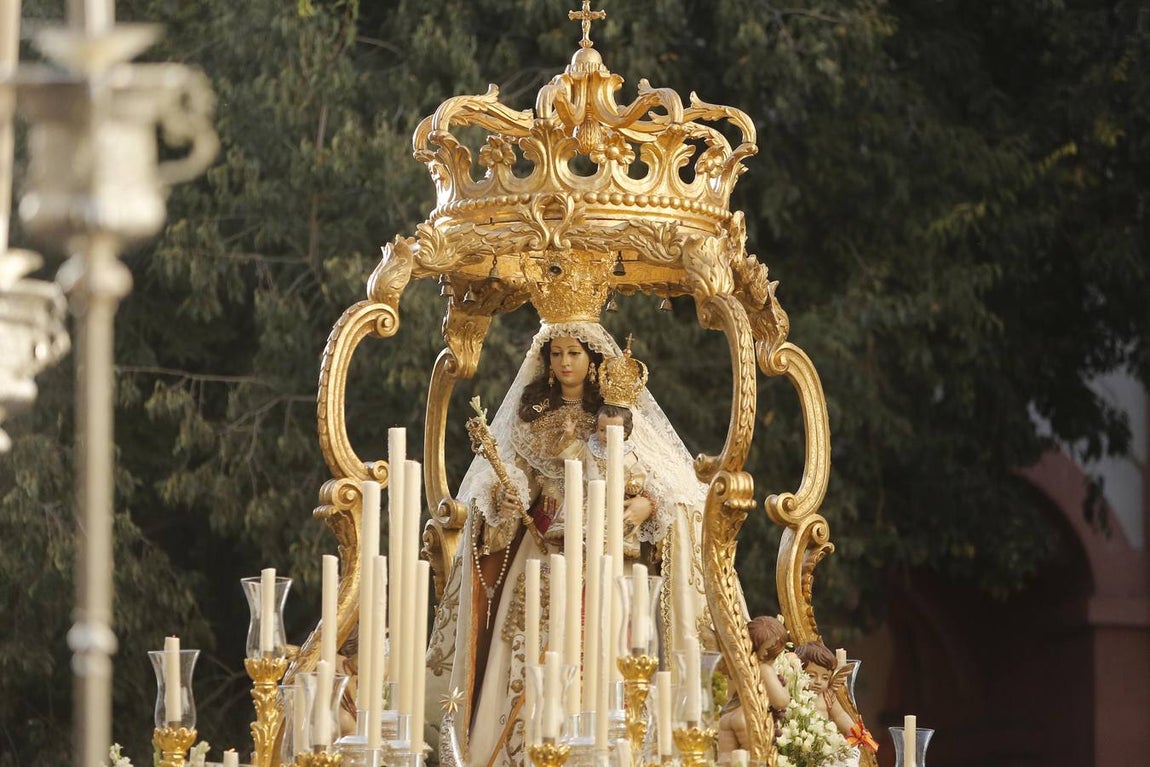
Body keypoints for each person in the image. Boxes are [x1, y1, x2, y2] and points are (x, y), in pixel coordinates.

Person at [424, 321, 710, 767]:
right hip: (544, 545)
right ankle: (519, 749)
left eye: (574, 353)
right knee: (532, 637)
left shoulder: (616, 412)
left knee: (606, 636)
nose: (564, 363)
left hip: (604, 549)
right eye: (556, 354)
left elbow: (669, 482)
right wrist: (507, 492)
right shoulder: (532, 413)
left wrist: (646, 506)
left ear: (592, 359)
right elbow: (515, 472)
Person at [716, 616, 792, 762]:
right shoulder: (763, 667)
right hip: (748, 718)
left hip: (728, 715)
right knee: (754, 760)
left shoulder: (736, 664)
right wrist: (786, 686)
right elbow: (781, 701)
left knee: (725, 759)